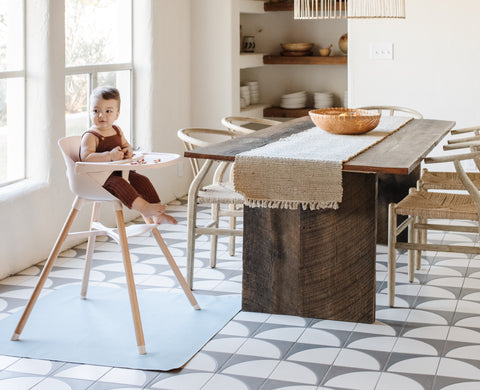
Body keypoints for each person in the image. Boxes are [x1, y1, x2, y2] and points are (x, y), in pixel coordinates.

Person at [79, 86, 177, 225]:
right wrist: (109, 156)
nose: (102, 115)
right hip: (101, 178)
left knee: (142, 180)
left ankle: (158, 214)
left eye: (108, 111)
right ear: (90, 112)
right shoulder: (91, 136)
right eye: (96, 111)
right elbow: (86, 158)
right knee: (121, 184)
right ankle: (145, 208)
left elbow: (126, 145)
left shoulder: (117, 130)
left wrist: (128, 151)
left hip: (120, 171)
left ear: (117, 114)